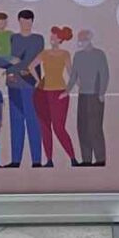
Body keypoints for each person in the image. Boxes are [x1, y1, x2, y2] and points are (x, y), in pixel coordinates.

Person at [5, 7, 46, 167]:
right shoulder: (12, 38)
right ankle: (15, 161)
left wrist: (14, 65)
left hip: (31, 85)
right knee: (16, 122)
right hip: (14, 84)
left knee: (33, 121)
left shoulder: (38, 39)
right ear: (19, 21)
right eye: (23, 22)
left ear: (32, 22)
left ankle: (36, 161)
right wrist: (10, 65)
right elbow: (3, 57)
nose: (26, 25)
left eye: (28, 22)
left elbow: (30, 59)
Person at [68, 28, 110, 167]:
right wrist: (67, 91)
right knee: (82, 127)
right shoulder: (78, 56)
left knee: (95, 128)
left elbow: (104, 74)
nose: (80, 42)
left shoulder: (99, 54)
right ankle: (86, 159)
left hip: (95, 95)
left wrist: (102, 92)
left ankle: (100, 159)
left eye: (83, 40)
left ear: (89, 39)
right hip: (83, 95)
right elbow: (73, 76)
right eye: (79, 40)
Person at [37, 25, 77, 165]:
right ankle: (49, 160)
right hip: (43, 94)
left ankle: (72, 158)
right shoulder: (44, 53)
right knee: (45, 128)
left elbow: (72, 74)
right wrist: (37, 81)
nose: (52, 37)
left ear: (60, 39)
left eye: (54, 36)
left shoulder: (65, 54)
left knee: (59, 128)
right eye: (52, 35)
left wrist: (67, 91)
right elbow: (30, 67)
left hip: (60, 92)